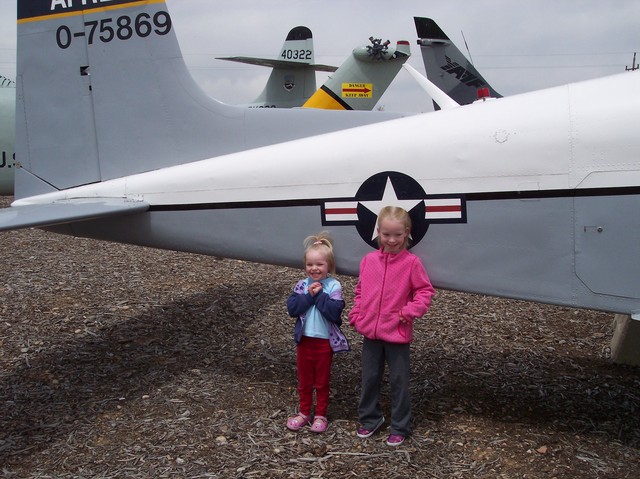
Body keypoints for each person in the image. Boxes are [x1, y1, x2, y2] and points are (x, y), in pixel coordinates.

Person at [349, 206, 435, 446]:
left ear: (407, 233)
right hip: (370, 334)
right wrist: (357, 314)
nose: (392, 240)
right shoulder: (368, 261)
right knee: (369, 378)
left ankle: (400, 426)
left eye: (397, 234)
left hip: (397, 335)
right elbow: (360, 291)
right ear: (378, 232)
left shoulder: (412, 263)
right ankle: (370, 419)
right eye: (386, 234)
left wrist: (409, 312)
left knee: (399, 382)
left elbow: (424, 291)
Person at [286, 232, 350, 433]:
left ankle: (321, 414)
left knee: (321, 381)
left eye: (319, 265)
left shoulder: (333, 286)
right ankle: (304, 412)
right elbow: (292, 309)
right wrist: (308, 295)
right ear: (305, 266)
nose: (314, 269)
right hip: (305, 341)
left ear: (329, 266)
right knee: (304, 380)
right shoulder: (301, 285)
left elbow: (334, 313)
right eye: (310, 265)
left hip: (324, 342)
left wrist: (319, 295)